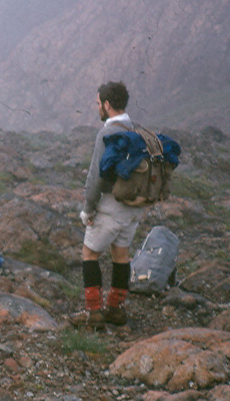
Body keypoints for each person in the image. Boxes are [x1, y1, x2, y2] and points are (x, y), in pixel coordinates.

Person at [70, 81, 144, 330]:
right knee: (121, 255)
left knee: (89, 254)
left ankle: (93, 312)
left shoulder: (106, 133)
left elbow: (95, 178)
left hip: (111, 206)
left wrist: (88, 210)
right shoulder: (135, 129)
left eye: (98, 103)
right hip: (133, 208)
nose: (97, 107)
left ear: (107, 105)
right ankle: (115, 309)